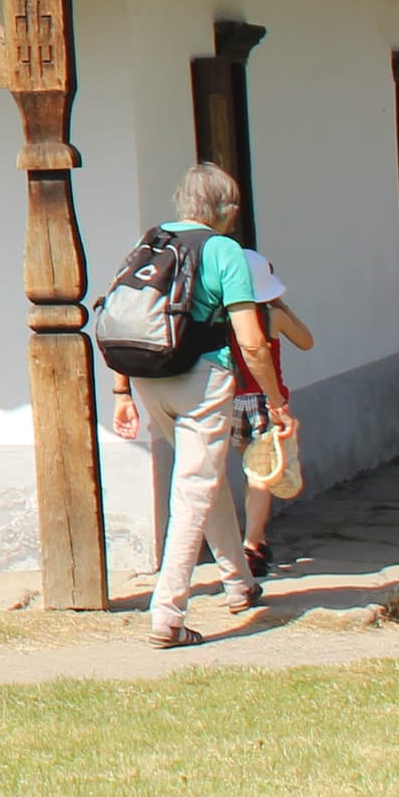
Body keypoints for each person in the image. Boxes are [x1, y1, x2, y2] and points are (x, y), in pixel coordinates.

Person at [106, 163, 295, 646]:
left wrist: (122, 392)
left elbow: (123, 314)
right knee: (194, 491)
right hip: (202, 382)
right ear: (227, 211)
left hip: (151, 378)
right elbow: (251, 342)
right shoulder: (224, 250)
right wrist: (275, 400)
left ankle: (238, 583)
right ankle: (167, 615)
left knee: (204, 479)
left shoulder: (152, 241)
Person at [229, 253, 316, 591]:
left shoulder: (222, 319)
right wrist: (280, 305)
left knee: (249, 471)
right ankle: (251, 546)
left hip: (230, 402)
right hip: (266, 402)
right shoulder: (271, 317)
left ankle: (257, 539)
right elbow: (306, 341)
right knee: (260, 477)